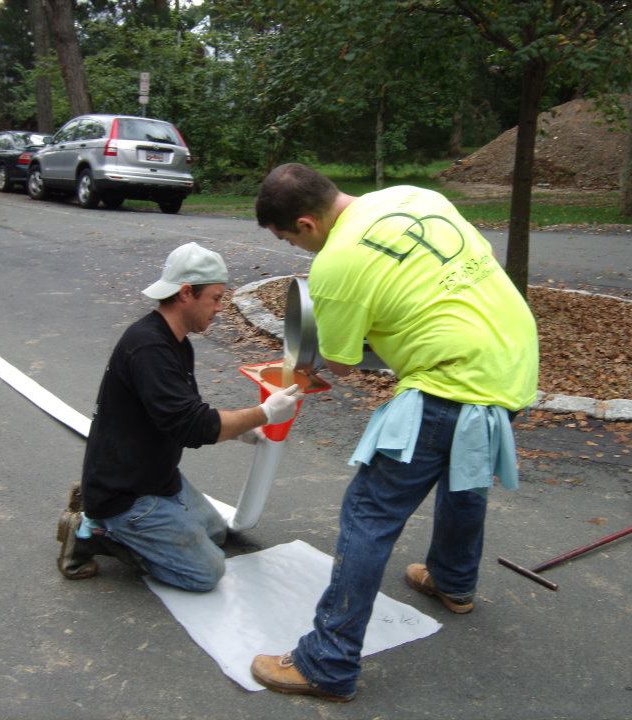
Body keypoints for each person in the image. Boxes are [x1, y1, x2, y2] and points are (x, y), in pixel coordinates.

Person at [249, 164, 539, 702]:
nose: (298, 248)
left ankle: (328, 662)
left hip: (449, 381)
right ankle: (452, 582)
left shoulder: (335, 264)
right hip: (513, 363)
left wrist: (316, 355)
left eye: (290, 238)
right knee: (463, 476)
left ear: (307, 223)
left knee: (370, 513)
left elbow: (341, 362)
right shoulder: (413, 196)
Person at [57, 241, 301, 591]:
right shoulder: (149, 348)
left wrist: (238, 430)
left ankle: (104, 514)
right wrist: (263, 413)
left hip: (156, 477)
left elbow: (183, 413)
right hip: (127, 493)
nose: (220, 308)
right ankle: (98, 529)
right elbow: (192, 426)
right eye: (215, 298)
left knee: (217, 533)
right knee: (206, 572)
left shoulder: (176, 342)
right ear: (187, 293)